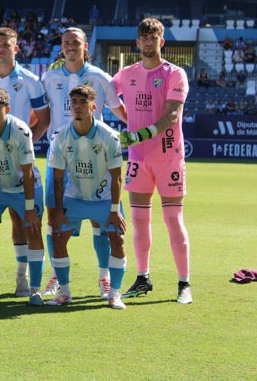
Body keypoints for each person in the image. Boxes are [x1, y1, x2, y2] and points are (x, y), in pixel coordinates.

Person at [40, 27, 127, 298]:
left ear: (85, 45)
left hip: (95, 158)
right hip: (60, 158)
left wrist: (140, 135)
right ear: (61, 46)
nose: (70, 46)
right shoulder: (49, 77)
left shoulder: (100, 77)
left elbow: (119, 110)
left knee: (102, 225)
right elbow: (43, 116)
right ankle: (57, 276)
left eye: (75, 42)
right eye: (65, 42)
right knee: (55, 223)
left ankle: (104, 278)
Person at [113, 17, 192, 305]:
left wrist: (139, 133)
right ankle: (143, 277)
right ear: (137, 42)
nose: (149, 41)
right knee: (139, 219)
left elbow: (172, 115)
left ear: (162, 41)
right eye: (144, 37)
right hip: (138, 159)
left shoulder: (175, 74)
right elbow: (108, 94)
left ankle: (184, 283)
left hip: (168, 157)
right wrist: (127, 121)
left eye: (154, 36)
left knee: (172, 218)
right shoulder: (126, 74)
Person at [0, 27, 50, 297]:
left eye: (7, 44)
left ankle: (23, 278)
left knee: (23, 223)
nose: (1, 48)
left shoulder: (30, 80)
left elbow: (43, 118)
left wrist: (22, 144)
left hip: (21, 168)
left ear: (17, 48)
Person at [47, 85, 127, 309]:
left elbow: (117, 177)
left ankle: (114, 294)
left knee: (118, 240)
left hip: (104, 201)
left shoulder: (109, 136)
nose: (78, 107)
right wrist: (60, 211)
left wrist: (114, 211)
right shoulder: (61, 136)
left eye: (83, 102)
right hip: (75, 198)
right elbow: (58, 178)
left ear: (93, 106)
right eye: (74, 102)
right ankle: (64, 293)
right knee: (58, 237)